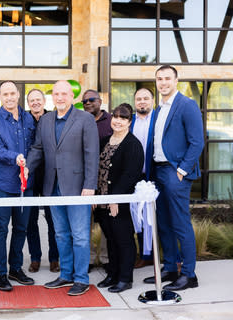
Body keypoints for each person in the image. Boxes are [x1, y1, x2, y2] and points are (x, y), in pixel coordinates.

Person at [26, 80, 99, 296]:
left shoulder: (85, 119)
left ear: (72, 96)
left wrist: (90, 185)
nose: (59, 97)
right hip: (52, 186)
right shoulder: (46, 120)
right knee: (61, 234)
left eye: (64, 94)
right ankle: (66, 274)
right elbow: (38, 148)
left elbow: (91, 154)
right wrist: (27, 167)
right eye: (56, 94)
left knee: (80, 235)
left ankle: (81, 278)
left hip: (78, 188)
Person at [143, 65, 204, 291]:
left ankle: (189, 274)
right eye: (159, 79)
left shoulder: (186, 105)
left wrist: (182, 170)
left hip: (175, 172)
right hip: (158, 171)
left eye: (167, 78)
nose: (163, 82)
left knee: (180, 223)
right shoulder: (158, 109)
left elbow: (197, 141)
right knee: (164, 224)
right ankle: (170, 268)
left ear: (176, 80)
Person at [0, 80, 36, 291]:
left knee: (21, 227)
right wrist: (15, 157)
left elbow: (36, 146)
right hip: (3, 184)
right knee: (0, 228)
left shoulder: (28, 118)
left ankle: (16, 267)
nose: (9, 97)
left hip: (26, 184)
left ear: (18, 95)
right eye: (5, 94)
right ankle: (1, 273)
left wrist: (29, 163)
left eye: (12, 93)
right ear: (0, 97)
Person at [94, 103, 144, 293]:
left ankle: (125, 278)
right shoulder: (105, 140)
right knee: (110, 238)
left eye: (123, 118)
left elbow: (130, 175)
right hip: (101, 201)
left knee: (123, 239)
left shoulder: (133, 145)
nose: (118, 121)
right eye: (115, 116)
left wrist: (115, 199)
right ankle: (112, 274)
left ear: (130, 122)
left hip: (119, 202)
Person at [25, 89, 59, 273]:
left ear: (44, 101)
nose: (35, 103)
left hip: (50, 175)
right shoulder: (24, 120)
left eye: (38, 100)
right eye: (32, 100)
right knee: (30, 221)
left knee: (53, 219)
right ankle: (35, 258)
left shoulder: (53, 118)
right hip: (30, 176)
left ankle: (54, 258)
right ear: (28, 103)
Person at [82, 88, 111, 269]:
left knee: (107, 224)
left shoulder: (111, 122)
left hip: (107, 180)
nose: (88, 103)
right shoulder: (81, 121)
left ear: (100, 101)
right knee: (87, 224)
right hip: (86, 180)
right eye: (85, 101)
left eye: (92, 100)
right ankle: (91, 259)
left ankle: (106, 259)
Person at [131, 88, 156, 269]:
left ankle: (173, 259)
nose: (142, 102)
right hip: (135, 177)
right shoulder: (129, 121)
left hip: (155, 175)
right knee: (139, 216)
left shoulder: (158, 120)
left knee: (160, 218)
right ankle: (145, 255)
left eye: (146, 98)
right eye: (138, 99)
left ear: (152, 101)